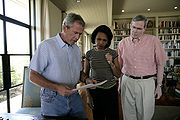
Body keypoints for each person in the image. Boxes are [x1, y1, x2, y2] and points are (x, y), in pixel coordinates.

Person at [29, 13, 96, 119]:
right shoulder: (46, 46)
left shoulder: (76, 49)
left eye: (80, 34)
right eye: (75, 33)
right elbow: (32, 76)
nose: (77, 37)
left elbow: (79, 73)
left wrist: (86, 79)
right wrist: (57, 87)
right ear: (65, 27)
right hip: (52, 97)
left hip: (74, 94)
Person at [117, 14, 168, 120]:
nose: (135, 31)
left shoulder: (154, 41)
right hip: (127, 81)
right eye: (133, 27)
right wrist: (120, 83)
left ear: (145, 29)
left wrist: (159, 86)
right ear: (130, 26)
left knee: (145, 115)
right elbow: (120, 67)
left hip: (146, 82)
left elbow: (160, 64)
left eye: (139, 28)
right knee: (128, 114)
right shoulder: (122, 43)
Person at [84, 25, 121, 120]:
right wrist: (88, 95)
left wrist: (111, 62)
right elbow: (85, 75)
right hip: (95, 90)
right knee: (98, 117)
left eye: (104, 40)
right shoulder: (89, 54)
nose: (101, 42)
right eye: (98, 39)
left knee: (112, 117)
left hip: (110, 90)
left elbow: (118, 74)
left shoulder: (113, 53)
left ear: (108, 41)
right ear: (94, 39)